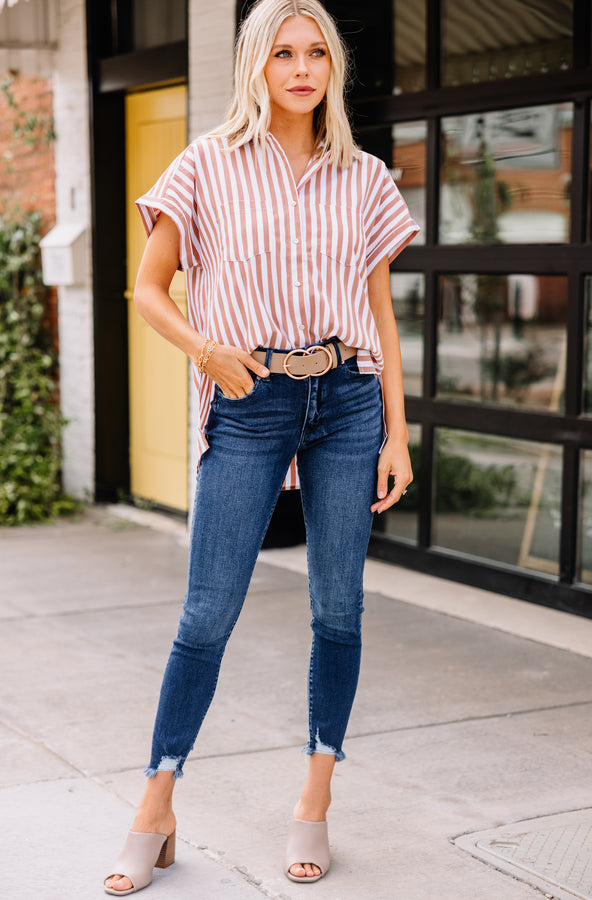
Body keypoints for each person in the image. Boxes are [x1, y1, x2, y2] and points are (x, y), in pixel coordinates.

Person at [103, 0, 418, 893]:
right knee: (207, 617)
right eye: (283, 52)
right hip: (247, 400)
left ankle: (314, 799)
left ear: (333, 69)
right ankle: (154, 808)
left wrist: (398, 430)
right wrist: (207, 351)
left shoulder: (362, 176)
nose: (302, 68)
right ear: (256, 64)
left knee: (338, 611)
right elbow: (149, 288)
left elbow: (383, 317)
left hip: (349, 401)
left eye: (317, 52)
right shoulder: (207, 164)